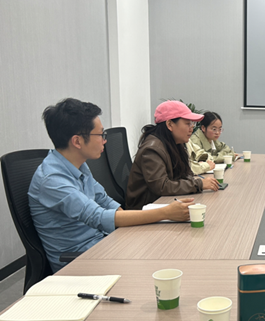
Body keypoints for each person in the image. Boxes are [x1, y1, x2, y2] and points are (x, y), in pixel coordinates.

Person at [29, 98, 194, 273]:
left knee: (164, 246)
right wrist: (165, 213)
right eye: (100, 135)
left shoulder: (79, 165)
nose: (104, 141)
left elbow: (105, 201)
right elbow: (98, 217)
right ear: (77, 141)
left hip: (103, 243)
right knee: (157, 263)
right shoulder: (52, 180)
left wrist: (130, 231)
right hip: (78, 261)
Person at [126, 101, 219, 210]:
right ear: (170, 124)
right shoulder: (152, 149)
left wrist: (198, 183)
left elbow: (184, 174)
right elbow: (162, 187)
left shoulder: (175, 143)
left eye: (192, 124)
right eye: (187, 123)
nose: (192, 128)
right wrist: (199, 184)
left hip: (163, 202)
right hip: (144, 209)